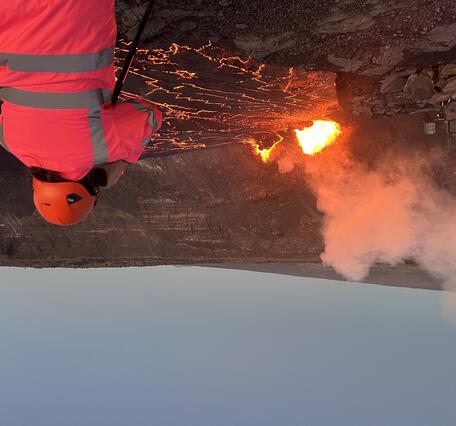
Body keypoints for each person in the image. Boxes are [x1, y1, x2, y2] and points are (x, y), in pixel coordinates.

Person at [0, 1, 163, 226]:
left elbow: (149, 115)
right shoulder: (8, 140)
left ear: (92, 185)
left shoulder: (102, 145)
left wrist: (123, 159)